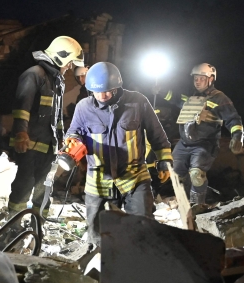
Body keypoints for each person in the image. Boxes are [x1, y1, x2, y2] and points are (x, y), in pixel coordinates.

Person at [65, 62, 173, 246]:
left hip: (135, 177)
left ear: (117, 86)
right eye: (97, 92)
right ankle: (99, 269)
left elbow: (157, 134)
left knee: (143, 230)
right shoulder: (83, 107)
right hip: (99, 181)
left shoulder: (137, 102)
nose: (102, 96)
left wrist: (164, 159)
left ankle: (140, 267)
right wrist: (73, 143)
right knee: (98, 236)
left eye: (108, 91)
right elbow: (73, 133)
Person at [6, 36, 85, 217]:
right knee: (23, 187)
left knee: (44, 190)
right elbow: (22, 107)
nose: (70, 67)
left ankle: (38, 227)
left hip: (49, 148)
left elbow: (55, 116)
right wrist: (20, 133)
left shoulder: (56, 82)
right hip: (29, 146)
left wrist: (62, 142)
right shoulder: (34, 74)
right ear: (60, 56)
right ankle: (13, 228)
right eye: (69, 62)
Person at [171, 64, 244, 205]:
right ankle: (183, 202)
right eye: (195, 78)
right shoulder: (190, 96)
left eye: (201, 78)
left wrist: (237, 136)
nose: (197, 81)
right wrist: (161, 90)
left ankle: (197, 205)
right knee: (176, 175)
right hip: (184, 143)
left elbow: (233, 119)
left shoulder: (219, 98)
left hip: (205, 144)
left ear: (211, 79)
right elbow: (174, 98)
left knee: (196, 174)